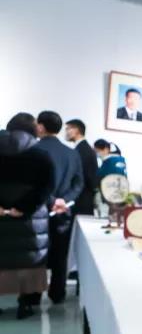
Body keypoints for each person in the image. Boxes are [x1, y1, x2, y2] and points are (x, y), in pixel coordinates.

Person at [0, 113, 55, 319]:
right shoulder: (42, 155)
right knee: (30, 262)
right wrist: (23, 206)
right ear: (34, 130)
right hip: (31, 220)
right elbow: (47, 187)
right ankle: (26, 304)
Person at [32, 111, 83, 304]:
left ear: (41, 127)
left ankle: (32, 296)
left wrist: (50, 201)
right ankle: (58, 293)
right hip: (63, 212)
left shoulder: (34, 150)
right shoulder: (72, 153)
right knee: (61, 255)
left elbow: (33, 184)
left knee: (37, 255)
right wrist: (63, 200)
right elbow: (78, 183)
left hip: (38, 211)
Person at [64, 119, 98, 216]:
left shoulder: (83, 150)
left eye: (68, 129)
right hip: (82, 198)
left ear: (76, 130)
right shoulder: (82, 148)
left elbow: (85, 178)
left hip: (81, 200)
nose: (66, 132)